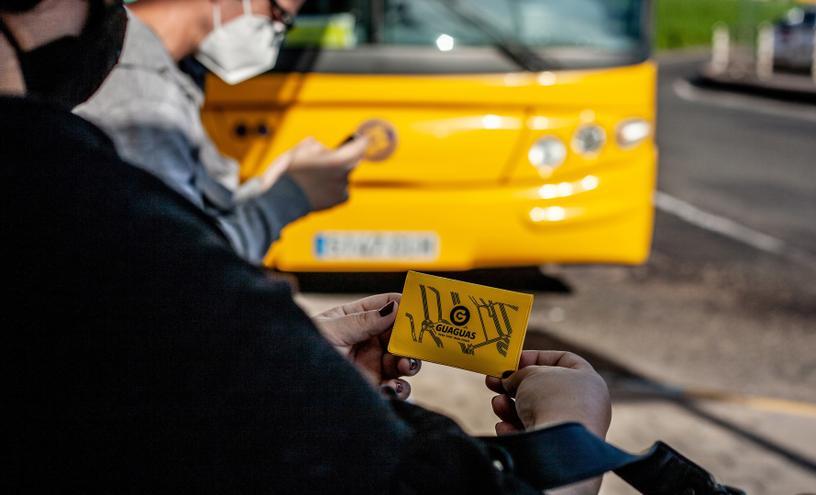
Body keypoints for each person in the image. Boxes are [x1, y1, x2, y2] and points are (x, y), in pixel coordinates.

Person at [2, 1, 614, 494]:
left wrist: (292, 360)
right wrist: (572, 435)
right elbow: (165, 287)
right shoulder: (65, 187)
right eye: (278, 14)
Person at [75, 0, 367, 264]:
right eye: (278, 15)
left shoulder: (162, 75)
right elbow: (181, 264)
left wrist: (270, 184)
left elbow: (189, 216)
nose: (275, 33)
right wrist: (291, 195)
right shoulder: (141, 95)